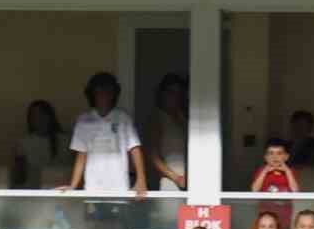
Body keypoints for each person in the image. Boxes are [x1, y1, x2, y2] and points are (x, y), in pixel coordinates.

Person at [63, 71, 147, 200]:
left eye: (108, 92)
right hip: (92, 188)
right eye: (99, 92)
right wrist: (73, 185)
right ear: (92, 94)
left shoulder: (123, 118)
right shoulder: (83, 120)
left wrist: (141, 180)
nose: (104, 96)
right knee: (93, 220)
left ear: (114, 94)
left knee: (119, 220)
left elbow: (135, 149)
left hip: (120, 187)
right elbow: (81, 156)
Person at [147, 73, 189, 191]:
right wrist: (176, 178)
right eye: (171, 92)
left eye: (179, 93)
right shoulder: (158, 118)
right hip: (170, 181)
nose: (175, 97)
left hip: (190, 181)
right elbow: (153, 156)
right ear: (162, 94)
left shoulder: (184, 118)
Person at [11, 99, 66, 189]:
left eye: (42, 115)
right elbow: (19, 176)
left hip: (61, 192)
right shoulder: (23, 143)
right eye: (34, 116)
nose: (38, 119)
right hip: (33, 192)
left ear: (50, 117)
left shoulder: (66, 140)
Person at [251, 136, 299, 229]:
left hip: (284, 218)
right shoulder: (262, 171)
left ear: (286, 157)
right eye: (271, 153)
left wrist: (287, 171)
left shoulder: (290, 172)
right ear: (265, 157)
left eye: (279, 153)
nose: (275, 157)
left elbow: (295, 191)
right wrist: (265, 171)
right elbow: (254, 190)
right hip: (265, 218)